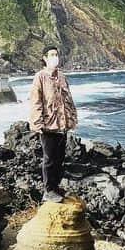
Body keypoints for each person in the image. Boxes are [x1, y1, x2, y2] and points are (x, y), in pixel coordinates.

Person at [28, 44, 78, 203]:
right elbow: (36, 101)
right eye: (51, 54)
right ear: (44, 58)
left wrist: (72, 119)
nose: (55, 57)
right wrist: (37, 123)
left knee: (59, 158)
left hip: (62, 125)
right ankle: (48, 190)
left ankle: (55, 187)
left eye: (56, 54)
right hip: (48, 126)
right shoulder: (40, 77)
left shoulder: (62, 77)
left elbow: (68, 100)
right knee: (49, 159)